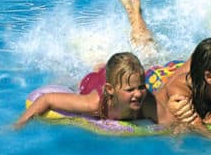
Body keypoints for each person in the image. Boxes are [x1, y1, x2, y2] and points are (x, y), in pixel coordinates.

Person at [17, 50, 156, 127]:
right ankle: (99, 66)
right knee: (83, 78)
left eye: (141, 87)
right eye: (130, 90)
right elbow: (47, 99)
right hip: (92, 81)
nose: (138, 94)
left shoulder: (146, 102)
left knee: (150, 54)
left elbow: (168, 121)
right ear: (110, 89)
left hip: (116, 80)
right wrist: (18, 125)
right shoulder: (95, 104)